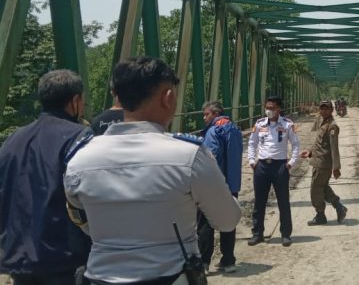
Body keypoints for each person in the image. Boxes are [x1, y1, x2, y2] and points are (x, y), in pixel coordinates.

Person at [64, 57, 242, 283]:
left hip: (101, 277)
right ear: (168, 97)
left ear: (117, 96)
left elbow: (81, 220)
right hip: (171, 277)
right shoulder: (190, 155)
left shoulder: (79, 159)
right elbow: (227, 220)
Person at [0, 70, 91, 283]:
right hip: (63, 259)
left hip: (18, 258)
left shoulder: (13, 140)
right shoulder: (79, 137)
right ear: (75, 101)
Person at [248, 95, 300, 247]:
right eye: (267, 108)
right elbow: (252, 143)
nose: (268, 111)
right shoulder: (259, 124)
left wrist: (291, 163)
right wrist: (252, 161)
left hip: (280, 167)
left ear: (279, 109)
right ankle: (257, 234)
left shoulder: (287, 124)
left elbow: (296, 144)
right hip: (262, 166)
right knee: (259, 202)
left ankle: (286, 234)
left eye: (271, 108)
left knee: (283, 201)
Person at [198, 100, 243, 274]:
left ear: (215, 114)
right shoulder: (234, 128)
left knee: (205, 223)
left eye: (206, 114)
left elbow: (212, 158)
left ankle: (204, 263)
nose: (204, 118)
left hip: (214, 185)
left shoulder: (214, 130)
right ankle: (228, 261)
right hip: (232, 184)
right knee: (228, 222)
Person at [301, 100, 347, 225]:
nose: (324, 111)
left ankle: (320, 215)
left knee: (315, 190)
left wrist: (336, 167)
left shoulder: (332, 126)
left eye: (327, 109)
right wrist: (310, 152)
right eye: (322, 108)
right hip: (318, 161)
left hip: (323, 164)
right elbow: (320, 144)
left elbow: (334, 147)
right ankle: (339, 207)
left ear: (332, 110)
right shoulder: (323, 122)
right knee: (322, 187)